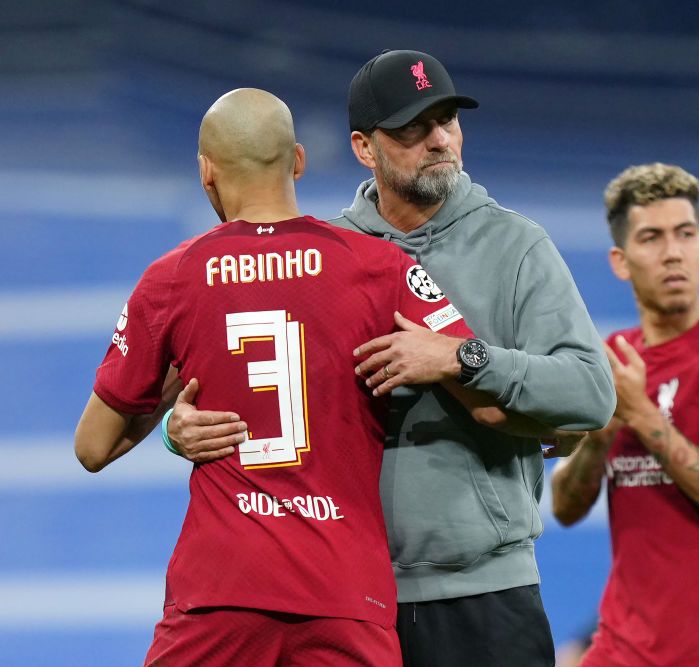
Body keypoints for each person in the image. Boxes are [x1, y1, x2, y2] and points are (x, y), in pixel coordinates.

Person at [162, 50, 615, 666]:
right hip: (345, 602)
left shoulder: (517, 245)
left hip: (485, 593)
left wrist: (464, 357)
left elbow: (591, 394)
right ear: (363, 147)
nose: (439, 141)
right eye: (412, 129)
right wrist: (180, 430)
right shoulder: (322, 257)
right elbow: (259, 393)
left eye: (448, 121)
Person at [73, 88, 477, 666]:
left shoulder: (172, 279)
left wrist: (172, 413)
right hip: (344, 592)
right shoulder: (381, 267)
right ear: (299, 160)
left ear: (205, 170)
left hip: (219, 593)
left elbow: (92, 447)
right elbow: (479, 378)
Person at [550, 162, 699, 666]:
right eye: (652, 238)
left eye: (685, 234)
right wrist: (598, 436)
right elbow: (566, 508)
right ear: (621, 260)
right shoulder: (613, 360)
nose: (673, 252)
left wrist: (643, 415)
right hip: (624, 645)